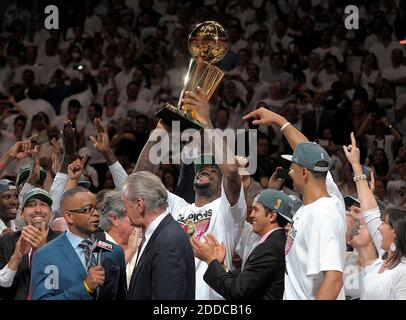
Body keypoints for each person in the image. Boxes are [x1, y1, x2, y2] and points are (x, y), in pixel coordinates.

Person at [243, 107, 346, 300]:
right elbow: (308, 150)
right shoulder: (326, 191)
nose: (290, 173)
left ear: (305, 173)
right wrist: (280, 121)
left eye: (293, 167)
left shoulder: (323, 214)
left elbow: (334, 281)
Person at [191, 189, 293, 300]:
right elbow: (244, 283)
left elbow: (238, 293)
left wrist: (210, 260)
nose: (251, 215)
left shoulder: (270, 248)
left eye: (256, 210)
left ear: (272, 216)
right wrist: (220, 265)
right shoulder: (274, 242)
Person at [30, 187, 127, 300]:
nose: (95, 213)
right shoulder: (46, 255)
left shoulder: (114, 251)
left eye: (96, 208)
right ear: (69, 216)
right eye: (87, 209)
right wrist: (85, 287)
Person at [343, 133, 406, 299]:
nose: (378, 226)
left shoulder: (403, 271)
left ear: (395, 231)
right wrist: (356, 165)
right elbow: (370, 211)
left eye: (384, 223)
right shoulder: (384, 259)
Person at [123, 171, 195, 300]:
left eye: (125, 205)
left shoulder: (167, 242)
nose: (124, 210)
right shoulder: (160, 234)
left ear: (139, 205)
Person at [0, 188, 61, 300]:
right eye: (31, 205)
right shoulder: (6, 241)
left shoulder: (64, 241)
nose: (38, 209)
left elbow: (62, 285)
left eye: (43, 204)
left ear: (51, 213)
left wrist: (42, 252)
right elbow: (2, 286)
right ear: (22, 214)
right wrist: (16, 258)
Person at [99, 190, 140, 287]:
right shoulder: (99, 243)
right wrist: (130, 251)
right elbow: (105, 278)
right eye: (132, 213)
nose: (138, 218)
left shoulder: (143, 242)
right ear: (114, 219)